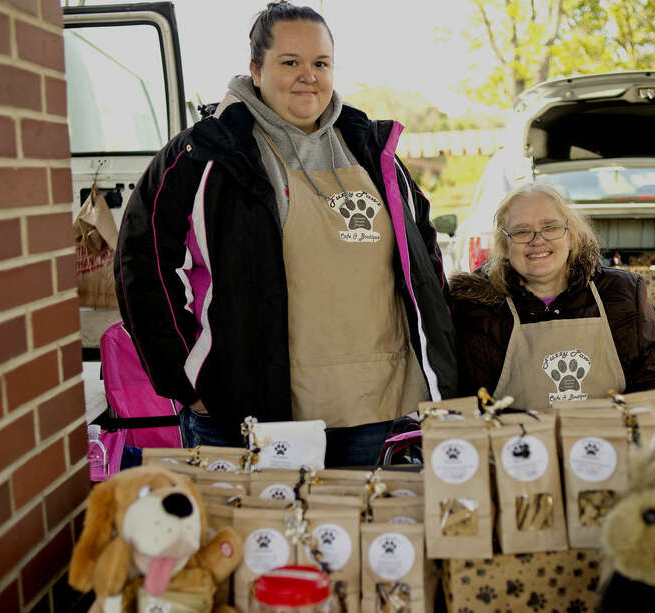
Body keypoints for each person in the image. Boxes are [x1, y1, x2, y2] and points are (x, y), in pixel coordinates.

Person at [114, 1, 456, 466]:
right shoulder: (206, 155)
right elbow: (143, 263)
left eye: (320, 63)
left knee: (360, 535)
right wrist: (188, 381)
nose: (307, 76)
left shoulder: (373, 151)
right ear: (255, 69)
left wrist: (441, 364)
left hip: (377, 408)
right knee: (257, 538)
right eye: (290, 62)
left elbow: (424, 260)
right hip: (250, 411)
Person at [450, 182, 655, 409]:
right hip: (520, 447)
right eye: (522, 232)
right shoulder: (478, 308)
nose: (538, 240)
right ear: (504, 244)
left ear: (571, 234)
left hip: (610, 443)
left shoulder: (621, 293)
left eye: (550, 227)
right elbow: (468, 404)